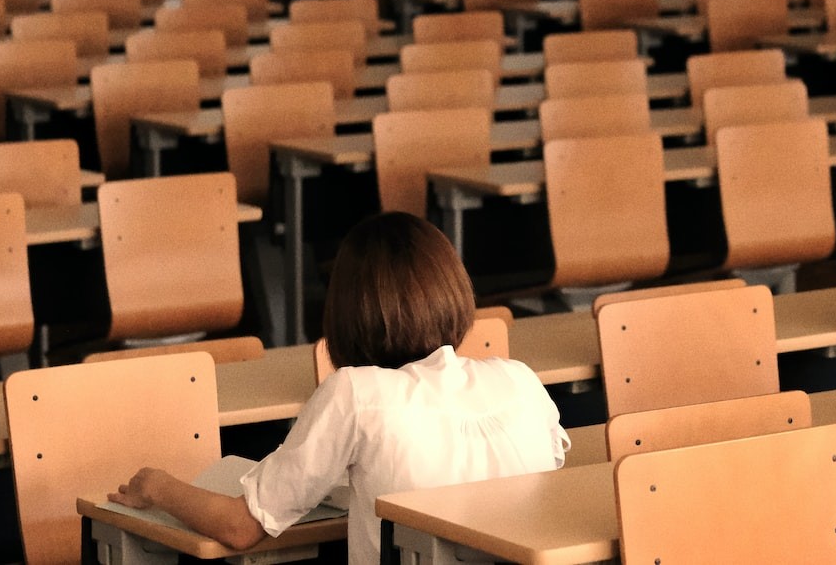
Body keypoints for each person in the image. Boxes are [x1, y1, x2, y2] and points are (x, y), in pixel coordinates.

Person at [109, 212, 570, 564]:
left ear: (349, 310)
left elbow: (241, 528)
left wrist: (160, 487)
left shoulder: (355, 392)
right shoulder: (519, 379)